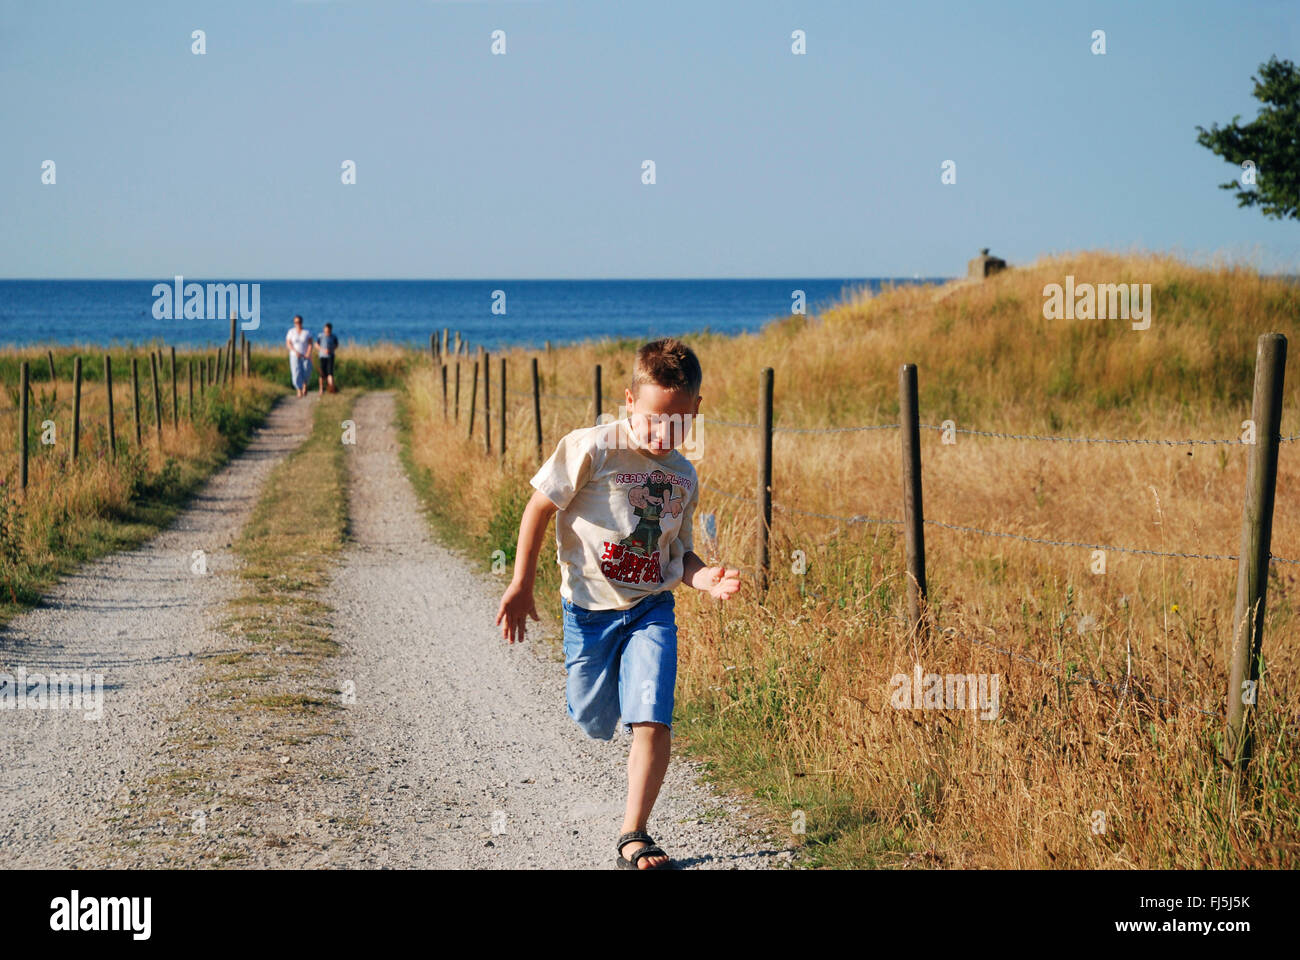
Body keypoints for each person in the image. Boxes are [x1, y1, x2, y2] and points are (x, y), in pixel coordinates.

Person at [495, 337, 741, 870]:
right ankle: (595, 700)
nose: (663, 432)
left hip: (651, 609)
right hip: (588, 610)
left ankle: (635, 833)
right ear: (630, 400)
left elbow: (677, 554)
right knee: (591, 716)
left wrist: (705, 579)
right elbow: (538, 509)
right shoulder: (594, 447)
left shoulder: (683, 476)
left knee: (652, 718)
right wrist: (520, 583)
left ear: (696, 411)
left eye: (678, 421)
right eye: (654, 418)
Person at [285, 315, 314, 398]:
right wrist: (294, 351)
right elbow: (288, 343)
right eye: (296, 322)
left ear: (302, 322)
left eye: (299, 322)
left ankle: (305, 385)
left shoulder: (307, 332)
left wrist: (308, 353)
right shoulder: (291, 332)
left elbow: (310, 343)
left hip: (305, 355)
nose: (298, 324)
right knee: (296, 372)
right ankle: (298, 389)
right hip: (295, 355)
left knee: (306, 370)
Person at [316, 322, 339, 395]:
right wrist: (323, 350)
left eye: (328, 331)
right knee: (322, 374)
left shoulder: (333, 337)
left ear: (331, 330)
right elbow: (316, 345)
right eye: (325, 331)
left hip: (330, 356)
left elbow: (336, 345)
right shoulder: (321, 336)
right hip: (322, 356)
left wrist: (331, 350)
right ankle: (321, 389)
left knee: (330, 373)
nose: (327, 332)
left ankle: (332, 388)